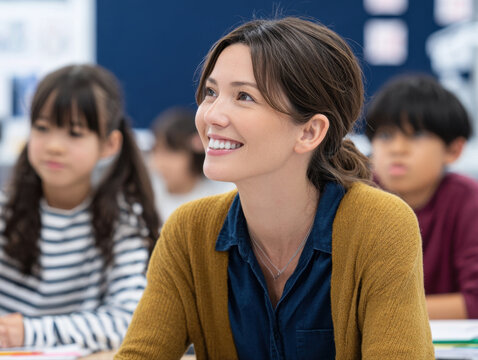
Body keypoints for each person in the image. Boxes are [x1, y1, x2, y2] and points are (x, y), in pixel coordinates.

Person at [115, 17, 434, 359]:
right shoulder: (189, 231)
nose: (212, 116)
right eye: (211, 92)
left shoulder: (380, 224)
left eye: (244, 96)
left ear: (309, 132)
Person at [0, 64, 160, 352]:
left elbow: (130, 321)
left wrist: (26, 332)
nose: (54, 146)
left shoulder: (122, 223)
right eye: (42, 128)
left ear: (109, 144)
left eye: (74, 133)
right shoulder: (5, 211)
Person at [365, 74, 478, 319]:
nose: (397, 149)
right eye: (385, 135)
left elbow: (475, 301)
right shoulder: (352, 197)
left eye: (415, 135)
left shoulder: (469, 201)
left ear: (453, 150)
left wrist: (385, 311)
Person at [149, 106, 235, 220]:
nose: (161, 162)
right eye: (156, 151)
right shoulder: (146, 194)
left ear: (195, 154)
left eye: (172, 152)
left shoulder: (218, 198)